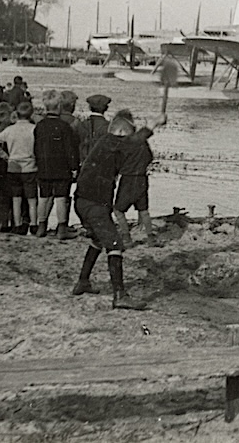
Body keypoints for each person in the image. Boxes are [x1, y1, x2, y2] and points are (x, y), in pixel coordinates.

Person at [70, 111, 166, 310]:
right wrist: (151, 125)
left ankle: (83, 282)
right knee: (115, 245)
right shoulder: (112, 142)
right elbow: (132, 143)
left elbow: (130, 145)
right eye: (127, 134)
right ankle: (120, 295)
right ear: (120, 132)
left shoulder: (105, 143)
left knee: (97, 240)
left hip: (85, 201)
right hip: (94, 203)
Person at [34, 90, 80, 239]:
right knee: (61, 197)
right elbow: (70, 149)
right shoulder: (64, 126)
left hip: (44, 165)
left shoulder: (39, 126)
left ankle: (41, 226)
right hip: (61, 166)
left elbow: (36, 147)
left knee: (44, 196)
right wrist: (74, 166)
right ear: (59, 106)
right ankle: (61, 228)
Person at [0, 101, 39, 235]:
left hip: (13, 165)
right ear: (31, 114)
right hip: (29, 165)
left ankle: (17, 224)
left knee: (16, 197)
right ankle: (33, 224)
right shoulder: (33, 129)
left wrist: (5, 155)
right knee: (31, 198)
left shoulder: (10, 129)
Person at [111, 110, 155, 245]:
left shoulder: (125, 144)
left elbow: (117, 161)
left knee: (118, 210)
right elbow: (149, 157)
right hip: (142, 178)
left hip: (128, 179)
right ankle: (150, 237)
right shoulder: (142, 142)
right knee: (143, 209)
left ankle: (126, 236)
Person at [79, 94, 111, 161]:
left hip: (83, 162)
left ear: (90, 107)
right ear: (106, 108)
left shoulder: (82, 124)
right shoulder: (108, 126)